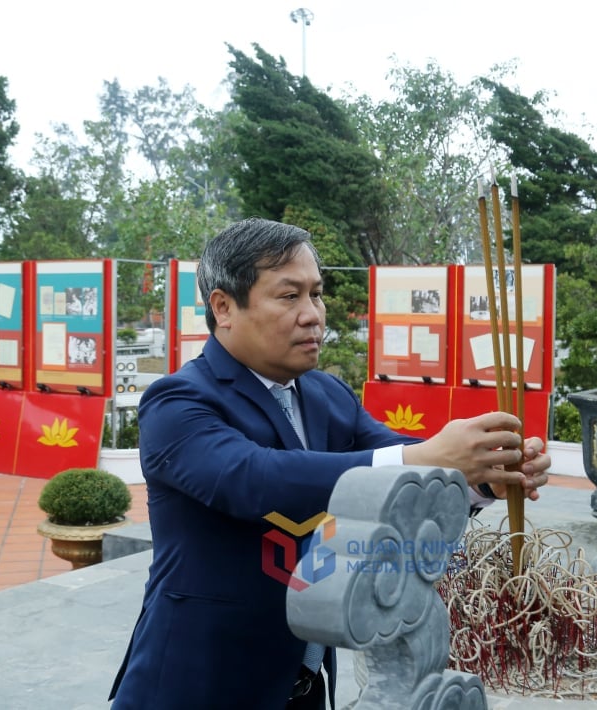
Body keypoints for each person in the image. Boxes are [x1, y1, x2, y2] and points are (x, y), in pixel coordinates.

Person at [109, 218, 552, 709]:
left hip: (304, 684)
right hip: (196, 682)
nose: (313, 315)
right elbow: (253, 479)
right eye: (289, 296)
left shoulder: (326, 395)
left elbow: (393, 467)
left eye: (316, 294)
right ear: (223, 306)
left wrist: (481, 477)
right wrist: (427, 455)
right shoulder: (178, 402)